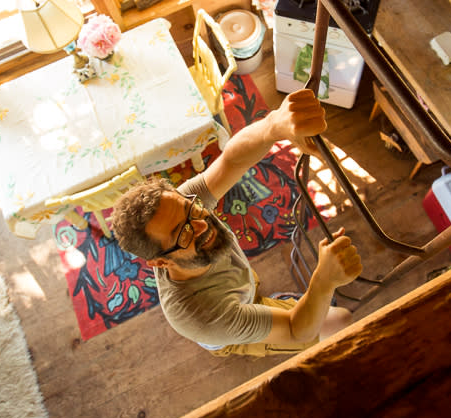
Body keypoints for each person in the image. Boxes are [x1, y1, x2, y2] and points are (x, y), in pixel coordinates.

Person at [110, 88, 363, 357]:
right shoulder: (205, 316)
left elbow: (232, 160)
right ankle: (263, 304)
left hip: (238, 292)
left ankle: (260, 300)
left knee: (257, 293)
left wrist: (273, 125)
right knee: (342, 321)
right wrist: (323, 281)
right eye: (182, 234)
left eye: (192, 209)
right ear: (160, 263)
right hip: (232, 329)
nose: (202, 225)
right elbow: (294, 330)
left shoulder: (182, 208)